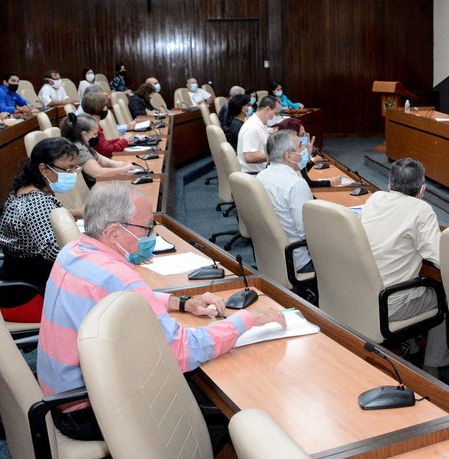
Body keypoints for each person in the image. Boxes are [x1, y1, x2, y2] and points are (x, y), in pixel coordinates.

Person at [38, 182, 284, 440]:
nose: (151, 235)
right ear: (113, 233)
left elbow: (116, 297)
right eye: (146, 227)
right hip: (91, 411)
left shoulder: (73, 251)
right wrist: (246, 319)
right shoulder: (120, 278)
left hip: (62, 399)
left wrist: (183, 303)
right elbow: (183, 353)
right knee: (232, 416)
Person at [359, 158, 449, 377]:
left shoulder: (375, 199)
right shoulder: (421, 210)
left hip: (361, 294)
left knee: (410, 281)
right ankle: (432, 370)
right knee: (442, 298)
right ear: (422, 189)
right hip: (389, 303)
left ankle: (413, 346)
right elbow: (440, 258)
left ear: (390, 185)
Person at [0, 138, 80, 323]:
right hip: (28, 296)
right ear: (44, 169)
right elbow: (55, 252)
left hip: (18, 285)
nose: (73, 174)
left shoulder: (25, 191)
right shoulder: (37, 203)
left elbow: (40, 222)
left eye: (75, 168)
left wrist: (75, 214)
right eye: (68, 169)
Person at [257, 130, 314, 273]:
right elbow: (307, 232)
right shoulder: (296, 184)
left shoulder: (260, 177)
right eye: (301, 146)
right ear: (289, 156)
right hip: (299, 260)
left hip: (272, 255)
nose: (305, 149)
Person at [60, 112, 135, 187]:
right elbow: (98, 173)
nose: (96, 137)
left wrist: (114, 163)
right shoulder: (78, 149)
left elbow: (100, 158)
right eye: (95, 134)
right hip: (93, 188)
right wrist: (125, 169)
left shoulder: (82, 142)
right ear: (84, 133)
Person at [277, 118, 340, 188]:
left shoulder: (283, 152)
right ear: (293, 137)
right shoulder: (288, 158)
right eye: (302, 135)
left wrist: (307, 156)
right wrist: (331, 182)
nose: (305, 137)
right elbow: (307, 184)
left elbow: (302, 172)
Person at [236, 95, 279, 173]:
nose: (277, 117)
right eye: (276, 113)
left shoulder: (259, 123)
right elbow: (249, 157)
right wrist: (277, 155)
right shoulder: (251, 127)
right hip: (255, 175)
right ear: (268, 109)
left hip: (263, 170)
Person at [81, 91, 131, 158]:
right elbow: (106, 151)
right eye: (104, 106)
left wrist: (120, 139)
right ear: (99, 108)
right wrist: (124, 141)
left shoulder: (91, 123)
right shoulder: (93, 127)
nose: (106, 108)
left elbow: (103, 145)